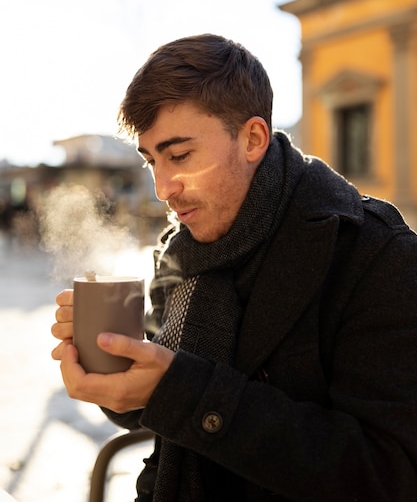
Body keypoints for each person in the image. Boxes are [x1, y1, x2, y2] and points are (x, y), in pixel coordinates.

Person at [51, 33, 417, 502]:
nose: (163, 188)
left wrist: (181, 391)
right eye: (152, 161)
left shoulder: (374, 254)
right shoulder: (180, 252)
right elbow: (155, 407)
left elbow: (391, 473)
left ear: (253, 138)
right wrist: (117, 369)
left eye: (180, 155)